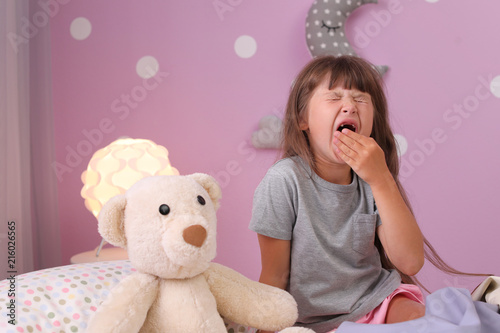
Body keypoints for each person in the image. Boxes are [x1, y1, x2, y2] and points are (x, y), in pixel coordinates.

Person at [249, 55, 428, 332]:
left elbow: (411, 262)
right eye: (333, 98)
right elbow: (274, 276)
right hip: (307, 322)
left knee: (421, 321)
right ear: (302, 120)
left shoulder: (374, 179)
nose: (349, 107)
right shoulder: (284, 181)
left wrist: (381, 179)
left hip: (376, 301)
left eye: (360, 98)